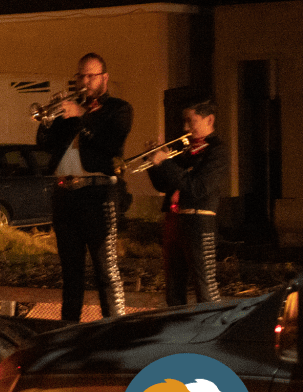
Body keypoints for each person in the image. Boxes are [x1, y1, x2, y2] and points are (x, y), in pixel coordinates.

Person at [37, 52, 133, 322]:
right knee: (70, 273)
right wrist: (47, 119)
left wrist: (82, 115)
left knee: (106, 270)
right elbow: (45, 144)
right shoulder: (69, 108)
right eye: (81, 75)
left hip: (98, 194)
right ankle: (69, 330)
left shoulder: (119, 109)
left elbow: (110, 143)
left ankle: (114, 329)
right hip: (65, 195)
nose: (85, 81)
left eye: (91, 75)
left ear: (105, 78)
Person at [146, 98, 228, 307]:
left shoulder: (217, 151)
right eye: (184, 121)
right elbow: (164, 185)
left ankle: (210, 325)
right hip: (174, 220)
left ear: (209, 120)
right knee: (173, 288)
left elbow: (196, 187)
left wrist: (166, 163)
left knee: (204, 286)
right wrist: (153, 163)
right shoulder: (186, 149)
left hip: (199, 221)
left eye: (191, 121)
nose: (185, 128)